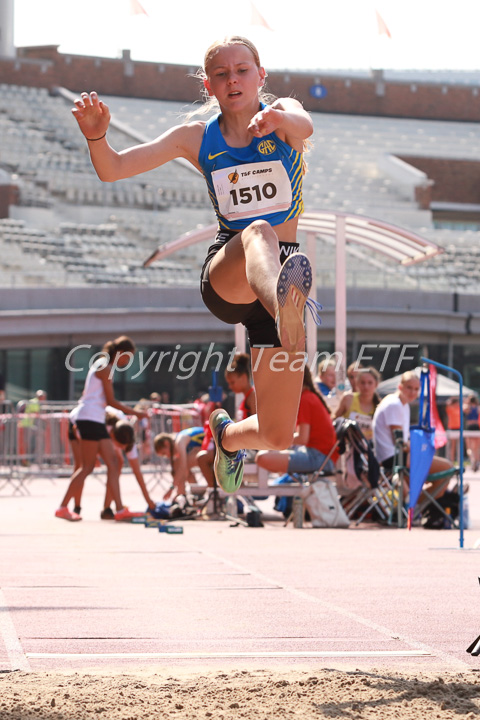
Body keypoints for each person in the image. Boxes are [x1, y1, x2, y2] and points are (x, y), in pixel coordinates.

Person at [71, 35, 317, 494]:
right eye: (221, 74)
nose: (233, 80)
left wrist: (280, 117)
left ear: (260, 76)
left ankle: (226, 436)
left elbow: (303, 125)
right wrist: (96, 136)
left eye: (242, 70)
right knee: (258, 230)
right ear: (210, 86)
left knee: (277, 433)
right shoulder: (197, 138)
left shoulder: (283, 117)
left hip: (282, 276)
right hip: (230, 273)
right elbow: (114, 168)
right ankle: (282, 305)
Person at [55, 336, 147, 522]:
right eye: (127, 357)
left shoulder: (103, 364)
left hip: (94, 419)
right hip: (89, 419)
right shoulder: (106, 368)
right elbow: (111, 401)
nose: (127, 362)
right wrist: (137, 413)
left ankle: (119, 509)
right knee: (87, 467)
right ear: (120, 353)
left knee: (113, 463)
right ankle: (63, 507)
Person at [372, 370, 452, 498]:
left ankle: (429, 503)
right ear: (400, 386)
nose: (413, 392)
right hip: (392, 458)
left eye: (416, 389)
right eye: (409, 388)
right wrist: (421, 447)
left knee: (439, 475)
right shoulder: (394, 404)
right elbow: (399, 443)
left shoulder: (401, 404)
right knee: (448, 468)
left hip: (395, 457)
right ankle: (421, 505)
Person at [255, 365, 339, 476]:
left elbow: (302, 438)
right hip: (321, 456)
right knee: (270, 455)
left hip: (320, 458)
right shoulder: (309, 396)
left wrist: (275, 441)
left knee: (262, 458)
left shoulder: (305, 399)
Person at [153, 426, 205, 500]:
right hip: (207, 448)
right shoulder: (177, 440)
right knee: (178, 465)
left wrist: (171, 488)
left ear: (167, 443)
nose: (167, 456)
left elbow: (182, 468)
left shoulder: (180, 442)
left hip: (215, 447)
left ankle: (183, 495)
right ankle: (190, 494)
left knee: (181, 465)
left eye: (164, 453)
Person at [334, 366, 381, 442]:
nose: (366, 386)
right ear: (357, 383)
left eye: (370, 383)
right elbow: (334, 421)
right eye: (362, 382)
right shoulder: (348, 399)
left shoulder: (380, 405)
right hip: (348, 448)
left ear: (376, 384)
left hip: (370, 450)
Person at [464, 395, 480, 471]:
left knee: (470, 447)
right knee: (476, 447)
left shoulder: (467, 407)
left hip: (470, 427)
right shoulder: (478, 408)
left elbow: (464, 409)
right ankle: (476, 461)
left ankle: (473, 461)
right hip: (476, 427)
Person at [445, 396, 461, 463]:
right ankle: (451, 460)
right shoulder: (450, 408)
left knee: (458, 446)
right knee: (452, 446)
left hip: (458, 428)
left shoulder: (459, 408)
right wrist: (452, 399)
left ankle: (457, 460)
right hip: (452, 428)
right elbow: (447, 403)